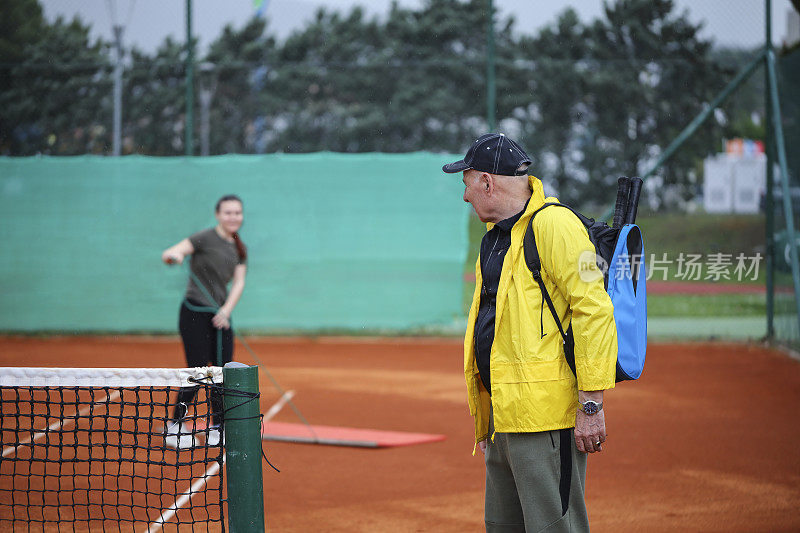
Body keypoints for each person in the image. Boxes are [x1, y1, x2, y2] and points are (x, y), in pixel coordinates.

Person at [443, 134, 617, 532]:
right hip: (505, 418)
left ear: (487, 182)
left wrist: (591, 406)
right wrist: (487, 419)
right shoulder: (495, 239)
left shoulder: (557, 225)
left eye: (466, 184)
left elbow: (594, 310)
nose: (465, 197)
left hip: (545, 422)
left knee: (555, 527)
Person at [160, 194, 248, 448]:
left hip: (221, 317)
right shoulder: (204, 238)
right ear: (218, 215)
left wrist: (226, 311)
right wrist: (174, 257)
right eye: (228, 213)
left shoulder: (239, 247)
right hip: (194, 313)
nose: (233, 217)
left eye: (237, 213)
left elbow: (239, 282)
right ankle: (176, 425)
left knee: (222, 373)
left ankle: (217, 426)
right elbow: (172, 252)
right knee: (198, 371)